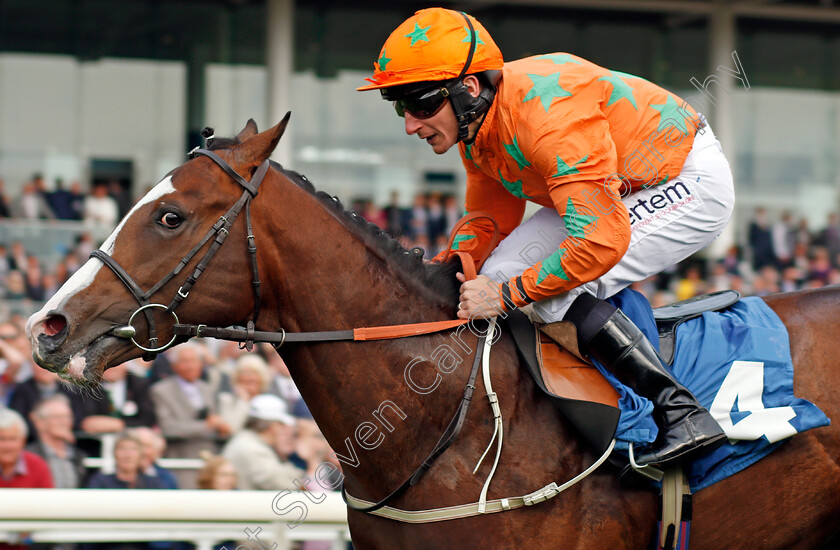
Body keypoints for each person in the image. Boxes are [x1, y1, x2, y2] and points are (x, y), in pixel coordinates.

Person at [358, 7, 733, 468]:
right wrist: (453, 265)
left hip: (684, 178)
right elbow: (491, 215)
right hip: (618, 185)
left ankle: (681, 412)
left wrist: (507, 294)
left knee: (545, 288)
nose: (410, 124)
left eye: (419, 105)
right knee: (496, 275)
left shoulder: (549, 121)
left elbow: (599, 242)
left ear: (468, 88)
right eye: (400, 106)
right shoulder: (477, 125)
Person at [151, 342, 230, 489]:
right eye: (184, 361)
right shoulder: (161, 390)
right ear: (173, 366)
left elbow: (216, 422)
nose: (190, 366)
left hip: (209, 462)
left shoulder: (208, 389)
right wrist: (206, 426)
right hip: (180, 462)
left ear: (201, 364)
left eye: (194, 361)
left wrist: (222, 429)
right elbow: (168, 427)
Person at [221, 394, 304, 491]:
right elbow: (282, 485)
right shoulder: (251, 448)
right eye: (281, 424)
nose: (284, 430)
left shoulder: (249, 442)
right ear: (271, 426)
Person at [26, 394, 89, 488]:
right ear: (40, 423)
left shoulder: (78, 455)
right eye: (57, 417)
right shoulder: (28, 456)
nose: (64, 422)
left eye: (68, 416)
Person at [0, 407, 53, 488]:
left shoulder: (38, 466)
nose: (7, 445)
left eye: (12, 439)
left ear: (23, 441)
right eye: (2, 439)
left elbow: (48, 499)